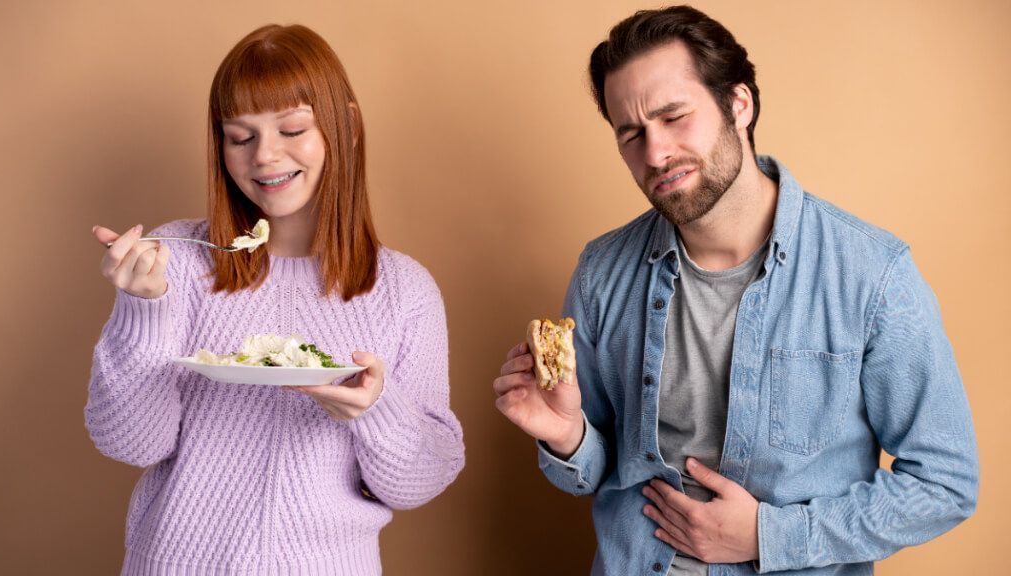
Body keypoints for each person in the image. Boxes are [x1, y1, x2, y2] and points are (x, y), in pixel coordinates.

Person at [494, 5, 977, 575]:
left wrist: (770, 536)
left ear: (738, 104)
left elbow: (946, 483)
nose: (655, 154)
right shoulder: (602, 273)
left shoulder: (872, 274)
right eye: (631, 134)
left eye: (674, 117)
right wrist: (567, 435)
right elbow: (596, 470)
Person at [87, 24, 464, 575]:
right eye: (240, 137)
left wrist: (375, 410)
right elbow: (131, 444)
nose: (265, 156)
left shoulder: (405, 290)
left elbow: (422, 481)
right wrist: (145, 310)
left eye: (292, 129)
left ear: (348, 128)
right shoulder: (180, 261)